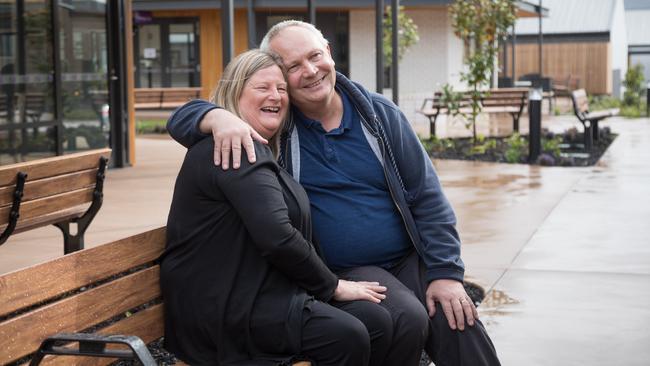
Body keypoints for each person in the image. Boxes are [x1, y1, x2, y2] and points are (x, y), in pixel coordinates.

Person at [167, 21, 501, 366]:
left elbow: (428, 199)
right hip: (341, 268)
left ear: (328, 51)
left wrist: (445, 273)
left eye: (314, 56)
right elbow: (184, 117)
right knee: (406, 319)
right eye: (293, 66)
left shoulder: (379, 117)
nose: (310, 71)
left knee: (457, 316)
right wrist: (217, 117)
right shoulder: (278, 122)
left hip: (406, 259)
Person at [161, 49, 390, 366]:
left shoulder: (263, 150)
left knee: (373, 320)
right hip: (225, 310)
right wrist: (332, 285)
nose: (276, 96)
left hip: (261, 292)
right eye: (262, 87)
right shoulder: (235, 148)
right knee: (346, 334)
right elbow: (277, 236)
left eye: (282, 89)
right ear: (235, 93)